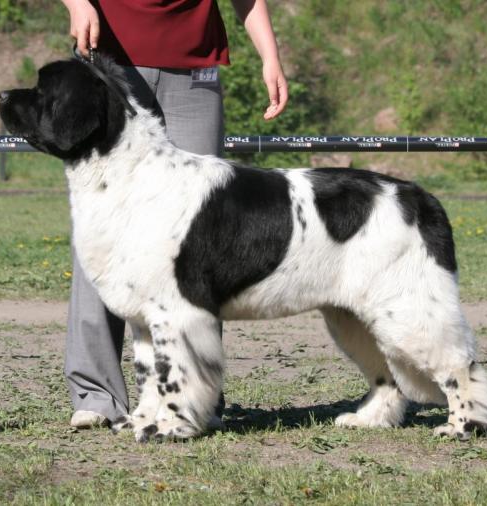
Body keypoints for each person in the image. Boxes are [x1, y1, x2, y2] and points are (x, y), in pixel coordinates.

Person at [60, 0, 289, 428]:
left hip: (193, 70)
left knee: (198, 235)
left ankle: (194, 396)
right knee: (106, 231)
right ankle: (96, 394)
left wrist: (270, 57)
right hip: (111, 61)